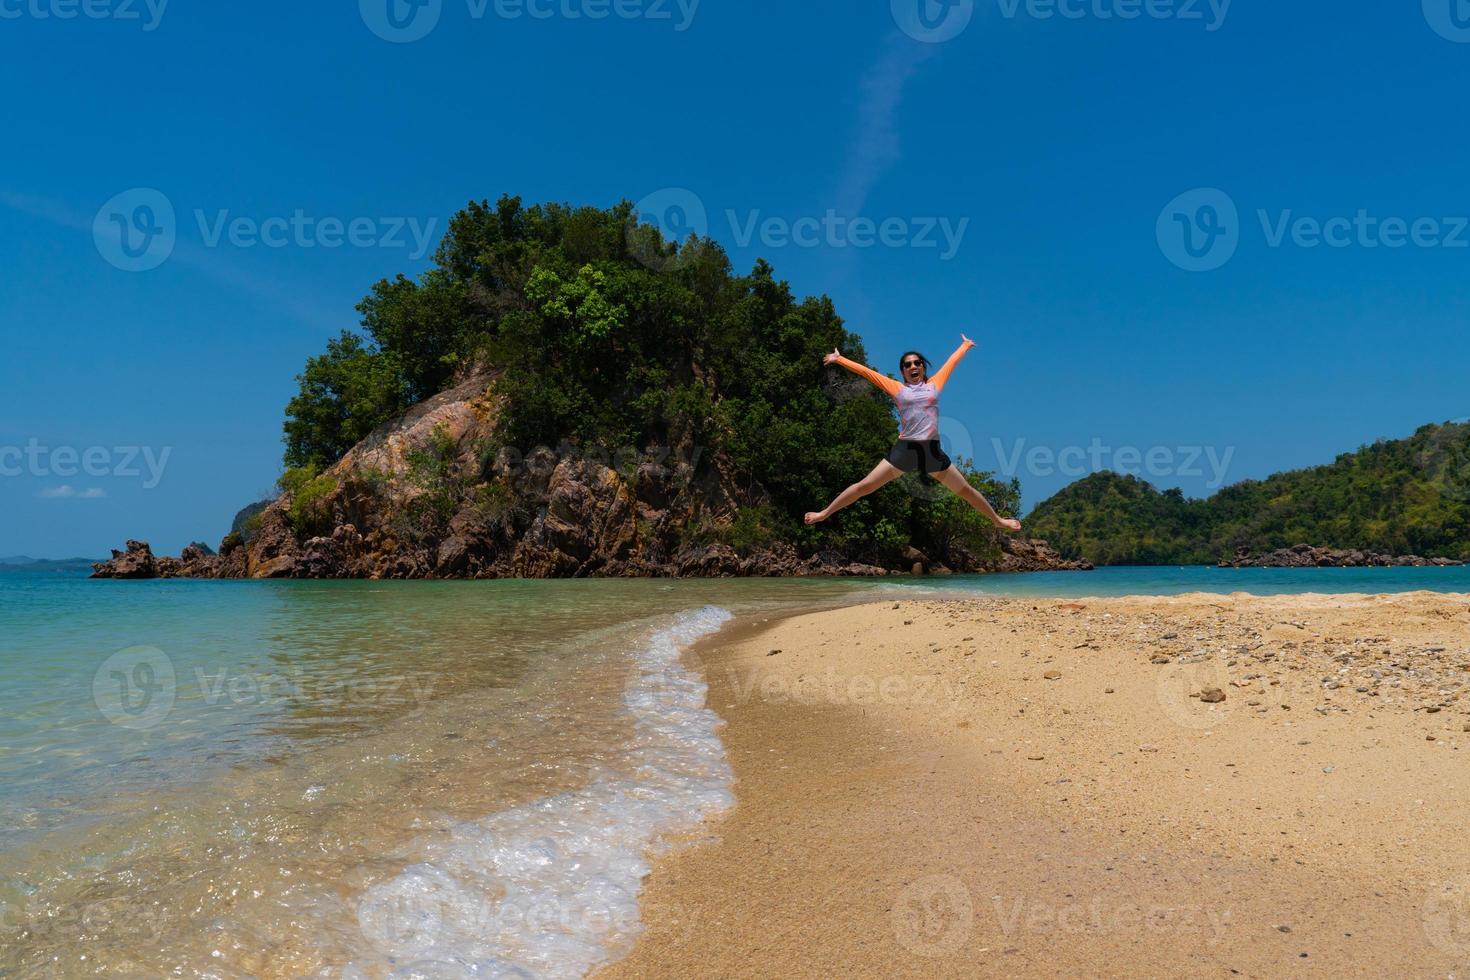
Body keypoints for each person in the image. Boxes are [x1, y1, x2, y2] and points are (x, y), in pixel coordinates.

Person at [805, 335, 1023, 531]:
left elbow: (951, 363)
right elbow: (867, 373)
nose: (913, 366)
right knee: (865, 486)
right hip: (905, 451)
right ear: (903, 371)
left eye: (917, 363)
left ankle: (997, 520)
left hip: (932, 452)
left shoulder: (934, 384)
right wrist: (839, 359)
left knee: (965, 490)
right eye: (908, 365)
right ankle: (824, 513)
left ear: (923, 367)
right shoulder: (896, 388)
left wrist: (965, 345)